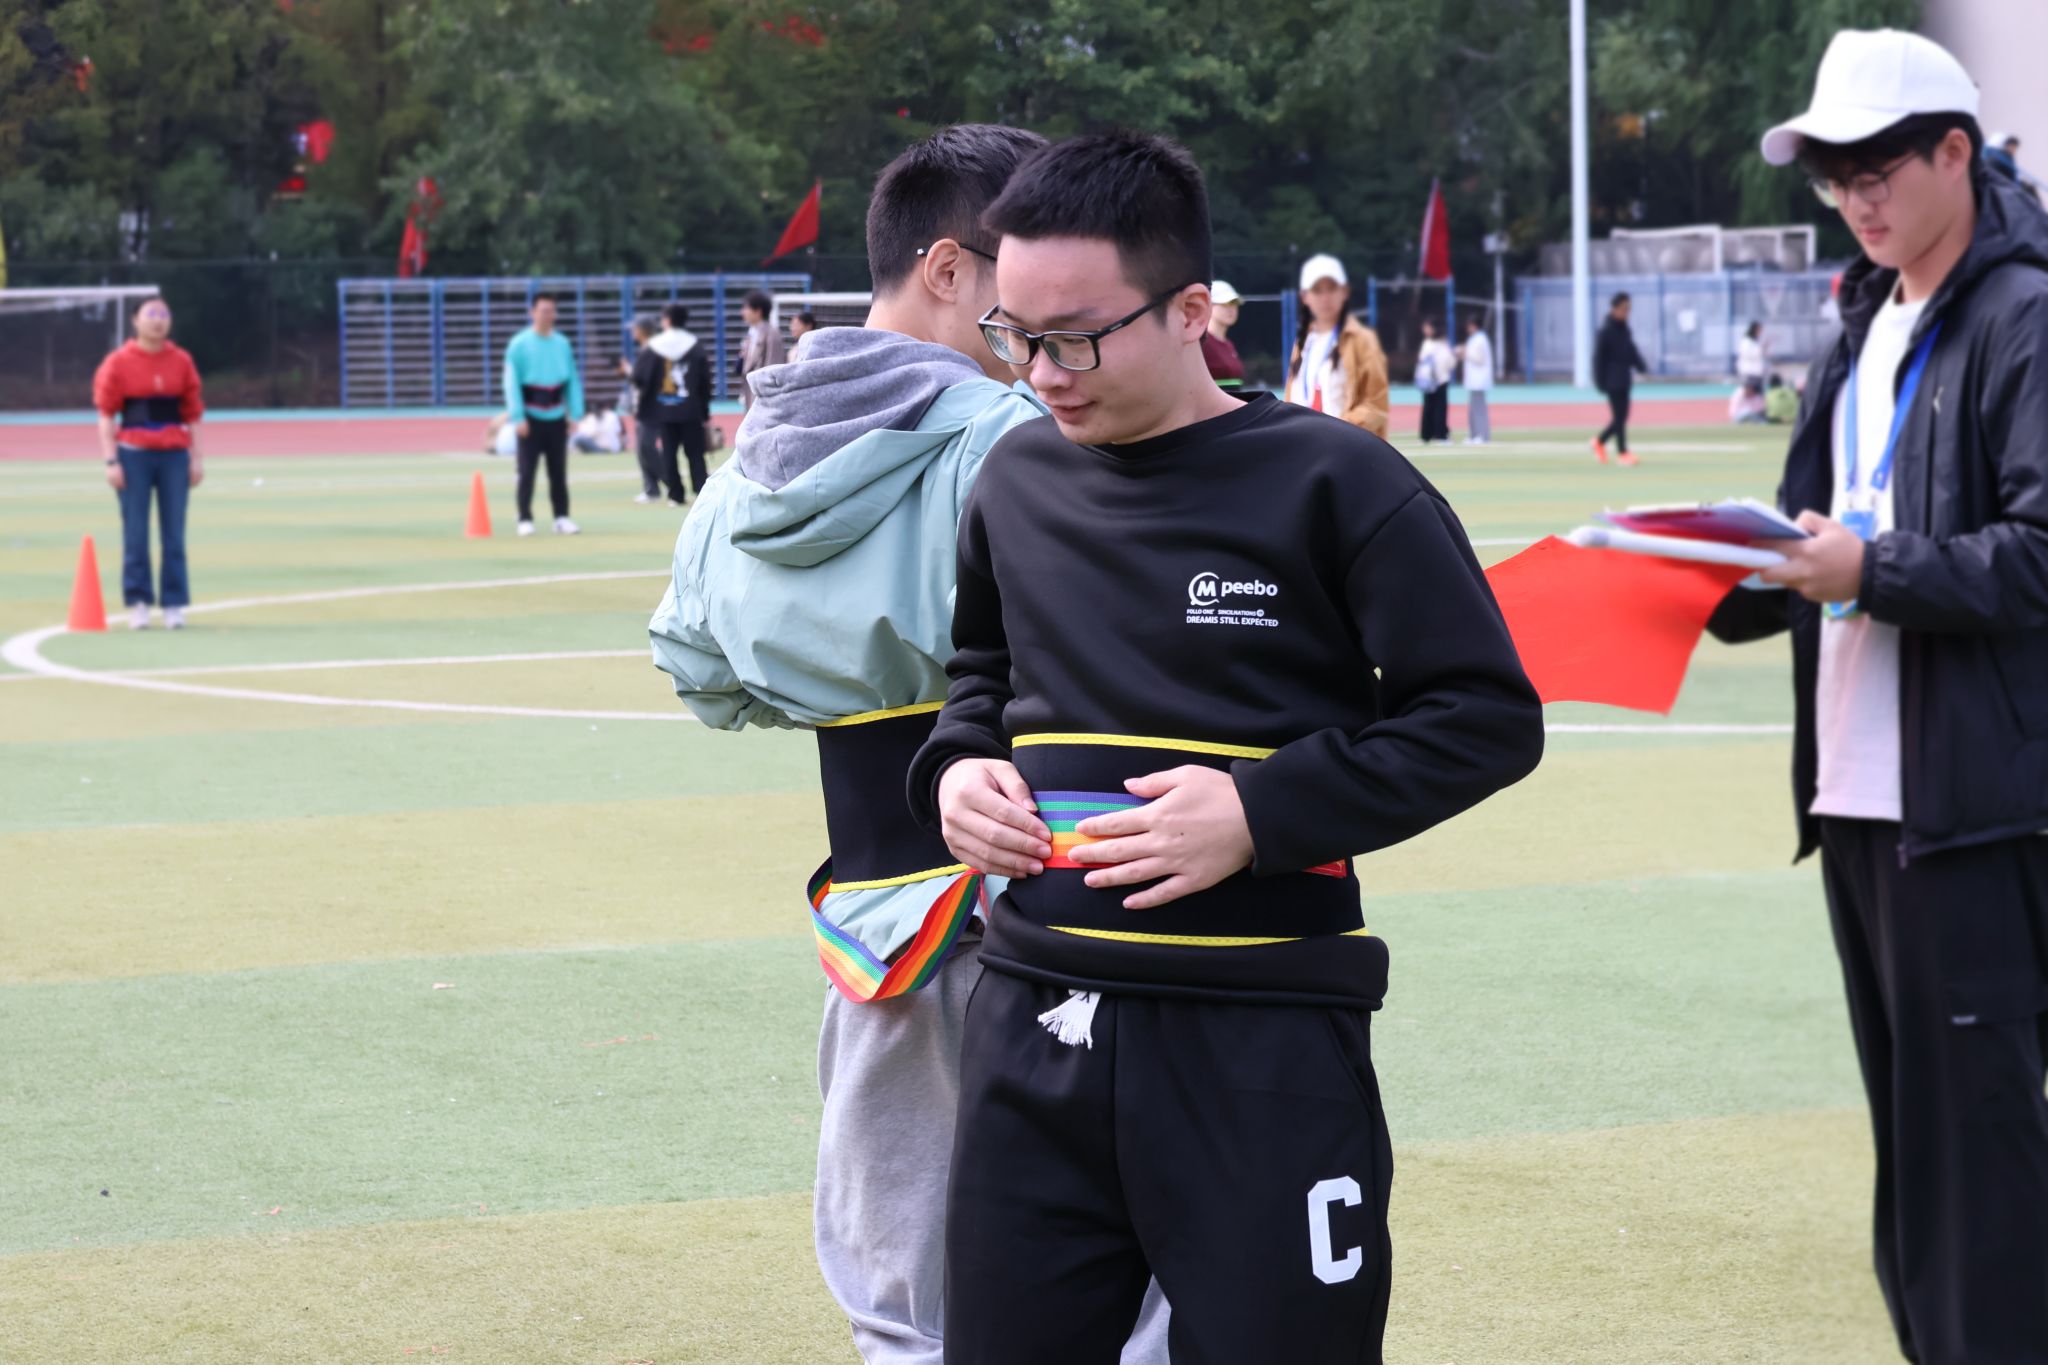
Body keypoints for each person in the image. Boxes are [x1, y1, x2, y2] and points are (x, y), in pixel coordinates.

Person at [909, 130, 1543, 1363]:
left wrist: (1260, 813)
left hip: (1259, 1038)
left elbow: (1482, 717)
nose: (1039, 373)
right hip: (1030, 1025)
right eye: (1013, 335)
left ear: (1190, 311)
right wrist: (955, 767)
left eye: (1074, 338)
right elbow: (980, 674)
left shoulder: (1339, 483)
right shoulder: (1015, 480)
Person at [648, 124, 1169, 1365]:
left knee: (897, 1279)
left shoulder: (742, 469)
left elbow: (700, 671)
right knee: (1133, 1256)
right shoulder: (1005, 435)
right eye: (1020, 278)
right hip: (1043, 881)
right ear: (948, 268)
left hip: (874, 910)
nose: (1040, 324)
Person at [1714, 28, 2048, 1364]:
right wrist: (1711, 568)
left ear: (1953, 153)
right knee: (1915, 1146)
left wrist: (1870, 569)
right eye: (1831, 176)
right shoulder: (1864, 321)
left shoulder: (2023, 315)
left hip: (1975, 801)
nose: (1852, 198)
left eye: (1874, 169)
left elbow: (2038, 553)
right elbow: (1810, 535)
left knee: (1978, 1156)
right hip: (1860, 795)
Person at [92, 296, 203, 631]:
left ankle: (173, 603)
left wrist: (196, 458)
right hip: (133, 455)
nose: (158, 320)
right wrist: (111, 460)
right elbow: (106, 414)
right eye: (151, 314)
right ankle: (138, 602)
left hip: (174, 455)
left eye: (164, 314)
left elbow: (193, 413)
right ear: (135, 320)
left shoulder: (181, 361)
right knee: (135, 532)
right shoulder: (118, 362)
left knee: (174, 533)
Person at [502, 294, 583, 536]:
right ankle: (524, 518)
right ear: (533, 312)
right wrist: (518, 416)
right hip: (530, 416)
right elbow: (511, 382)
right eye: (544, 310)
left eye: (552, 311)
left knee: (558, 471)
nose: (548, 315)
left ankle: (561, 517)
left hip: (556, 415)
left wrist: (575, 413)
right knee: (527, 470)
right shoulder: (519, 344)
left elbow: (572, 380)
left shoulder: (562, 344)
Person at [1284, 253, 1390, 436]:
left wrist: (1335, 431)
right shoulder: (1303, 341)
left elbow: (1376, 406)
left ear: (1345, 292)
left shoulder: (1361, 339)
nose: (1325, 298)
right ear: (1304, 297)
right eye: (1317, 290)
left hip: (1345, 445)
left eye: (1332, 289)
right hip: (1304, 444)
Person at [632, 304, 712, 504]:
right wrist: (704, 410)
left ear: (667, 320)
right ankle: (701, 492)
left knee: (669, 453)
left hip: (664, 408)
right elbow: (704, 380)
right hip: (690, 408)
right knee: (695, 453)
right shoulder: (695, 345)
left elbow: (639, 377)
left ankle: (676, 495)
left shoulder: (655, 346)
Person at [1591, 292, 1647, 465]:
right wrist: (1599, 381)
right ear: (1614, 309)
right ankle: (1622, 453)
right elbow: (1598, 359)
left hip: (1624, 379)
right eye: (1623, 309)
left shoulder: (1624, 330)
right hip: (1611, 381)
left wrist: (1640, 365)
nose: (1626, 313)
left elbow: (1631, 350)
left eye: (1628, 309)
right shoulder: (1605, 331)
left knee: (1622, 417)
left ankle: (1599, 442)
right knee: (1619, 418)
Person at [736, 288, 786, 411]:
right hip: (752, 395)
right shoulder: (751, 334)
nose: (742, 312)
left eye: (746, 308)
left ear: (758, 311)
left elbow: (774, 366)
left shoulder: (772, 333)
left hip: (765, 399)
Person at [1414, 315, 1455, 443]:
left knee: (1434, 408)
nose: (1425, 330)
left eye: (1427, 327)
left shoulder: (1438, 344)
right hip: (1434, 380)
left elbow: (1448, 361)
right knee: (1434, 408)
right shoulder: (1434, 343)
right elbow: (1450, 362)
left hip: (1437, 380)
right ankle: (1434, 435)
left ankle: (1432, 434)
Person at [1200, 278, 1245, 391]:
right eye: (1224, 304)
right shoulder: (1201, 342)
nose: (1231, 309)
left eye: (1234, 303)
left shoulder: (1229, 345)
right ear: (1208, 305)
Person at [1457, 315, 1494, 444]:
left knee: (1479, 409)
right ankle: (1474, 435)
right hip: (1473, 380)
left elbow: (1480, 359)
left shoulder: (1480, 339)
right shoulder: (1473, 339)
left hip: (1479, 380)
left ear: (1474, 326)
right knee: (1473, 409)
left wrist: (1465, 352)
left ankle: (1482, 435)